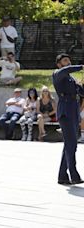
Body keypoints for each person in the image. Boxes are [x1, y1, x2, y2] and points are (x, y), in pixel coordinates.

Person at [52, 53, 84, 185]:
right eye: (65, 60)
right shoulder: (57, 73)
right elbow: (66, 70)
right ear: (59, 64)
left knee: (70, 144)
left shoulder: (71, 79)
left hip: (73, 110)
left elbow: (81, 92)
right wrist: (81, 67)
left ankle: (62, 176)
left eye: (69, 60)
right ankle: (74, 174)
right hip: (65, 111)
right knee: (71, 144)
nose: (68, 62)